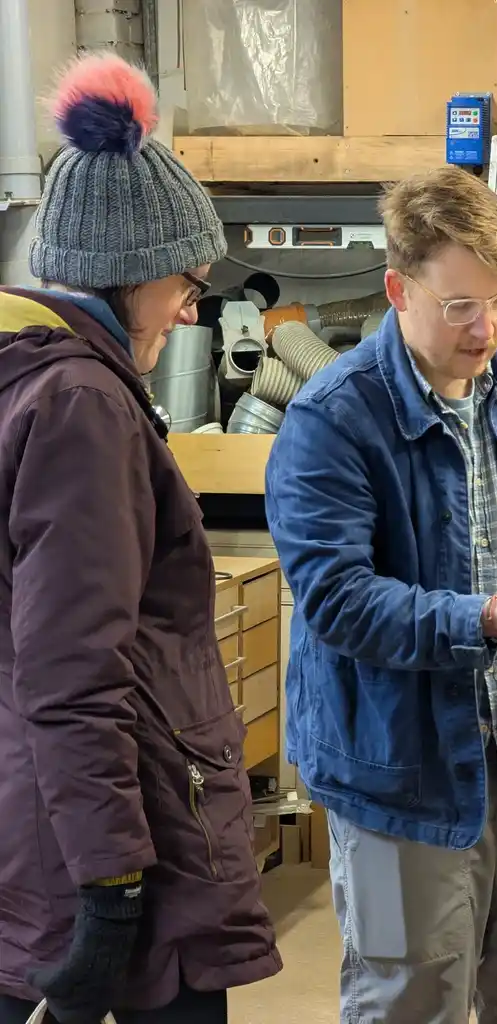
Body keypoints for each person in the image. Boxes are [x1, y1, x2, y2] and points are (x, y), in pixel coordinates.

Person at [266, 166, 497, 1024]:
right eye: (460, 304)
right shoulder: (332, 419)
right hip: (405, 781)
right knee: (410, 1002)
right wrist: (489, 617)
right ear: (397, 289)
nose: (486, 327)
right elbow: (339, 601)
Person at [0, 54, 281, 1024]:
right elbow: (75, 670)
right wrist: (113, 887)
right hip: (116, 855)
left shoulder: (41, 385)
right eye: (185, 280)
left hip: (56, 836)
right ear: (129, 272)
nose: (191, 307)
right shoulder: (83, 407)